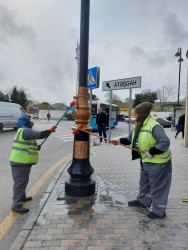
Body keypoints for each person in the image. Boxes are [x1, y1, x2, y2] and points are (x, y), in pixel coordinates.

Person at [111, 102, 172, 219]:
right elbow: (130, 139)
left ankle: (159, 211)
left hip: (158, 162)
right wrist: (118, 141)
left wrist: (152, 151)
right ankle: (143, 201)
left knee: (157, 186)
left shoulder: (154, 126)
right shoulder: (139, 125)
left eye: (136, 113)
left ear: (142, 114)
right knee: (144, 182)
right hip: (146, 161)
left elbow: (165, 142)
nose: (134, 115)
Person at [10, 116, 56, 213]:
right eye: (29, 121)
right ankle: (16, 205)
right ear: (25, 123)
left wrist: (36, 147)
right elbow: (40, 134)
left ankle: (22, 197)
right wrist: (50, 130)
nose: (30, 123)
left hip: (23, 161)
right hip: (20, 161)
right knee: (20, 183)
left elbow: (28, 144)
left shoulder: (22, 131)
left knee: (23, 181)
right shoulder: (24, 131)